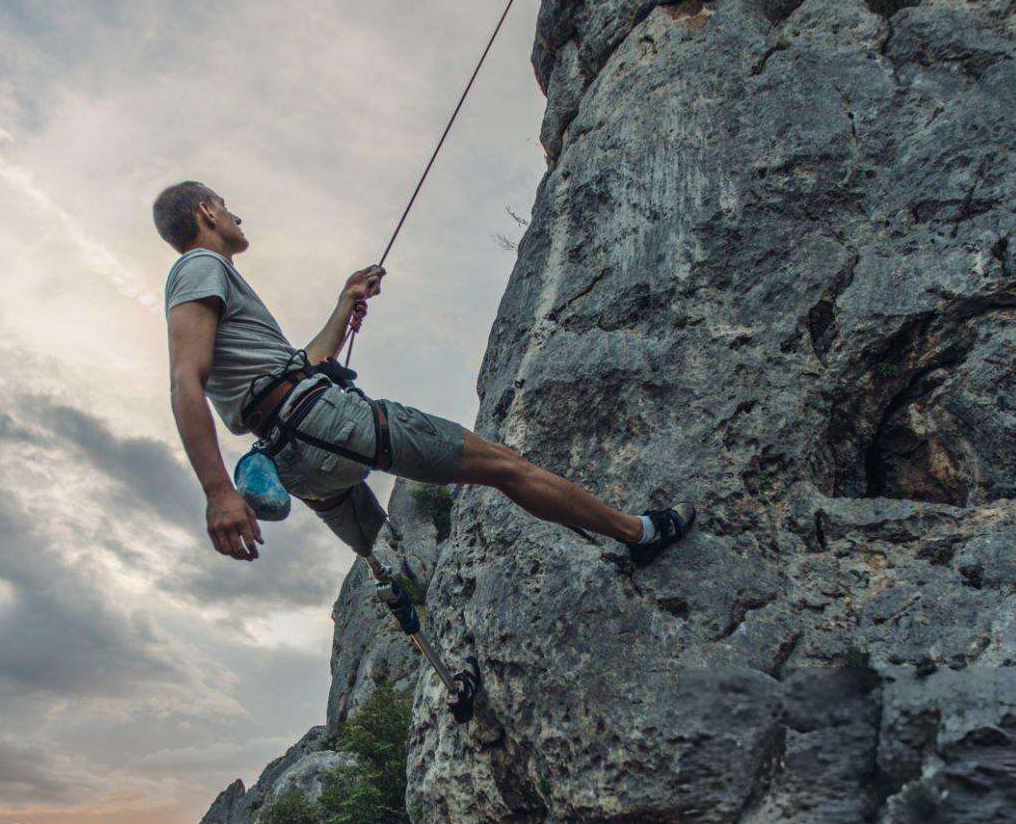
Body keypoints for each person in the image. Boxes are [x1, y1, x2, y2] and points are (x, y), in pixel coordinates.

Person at [153, 180, 694, 567]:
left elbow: (301, 366)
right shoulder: (201, 268)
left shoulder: (218, 291)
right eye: (227, 207)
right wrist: (218, 491)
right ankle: (638, 532)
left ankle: (439, 652)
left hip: (296, 457)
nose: (236, 216)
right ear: (206, 212)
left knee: (393, 566)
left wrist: (346, 302)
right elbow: (184, 382)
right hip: (329, 425)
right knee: (503, 466)